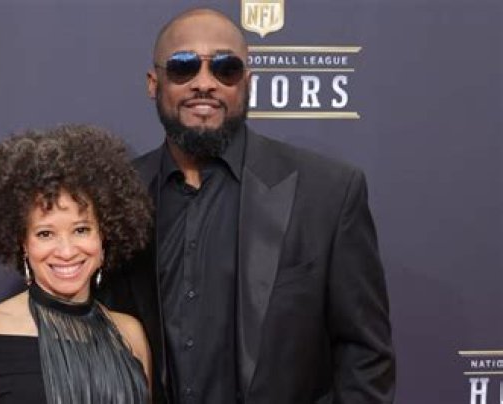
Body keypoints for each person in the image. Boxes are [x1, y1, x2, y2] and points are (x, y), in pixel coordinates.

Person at [100, 8, 396, 404]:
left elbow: (365, 357)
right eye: (183, 67)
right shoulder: (115, 196)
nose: (204, 83)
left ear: (248, 83)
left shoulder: (327, 193)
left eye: (226, 68)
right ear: (154, 83)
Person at [0, 124, 154, 404]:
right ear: (23, 243)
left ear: (104, 236)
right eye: (45, 234)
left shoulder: (129, 334)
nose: (66, 251)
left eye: (81, 230)